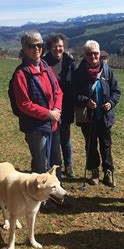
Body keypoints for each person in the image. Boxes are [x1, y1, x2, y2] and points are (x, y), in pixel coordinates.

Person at [11, 30, 63, 184]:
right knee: (41, 165)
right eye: (32, 46)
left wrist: (57, 110)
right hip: (36, 128)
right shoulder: (21, 74)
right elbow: (24, 104)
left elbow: (58, 91)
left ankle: (56, 195)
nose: (37, 49)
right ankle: (40, 199)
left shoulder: (45, 67)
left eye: (39, 45)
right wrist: (48, 114)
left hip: (53, 124)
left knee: (55, 163)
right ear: (24, 49)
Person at [73, 40, 121, 187]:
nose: (93, 56)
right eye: (89, 54)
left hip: (105, 117)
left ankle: (108, 172)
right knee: (91, 145)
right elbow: (72, 94)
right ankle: (94, 171)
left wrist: (111, 103)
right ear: (84, 55)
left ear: (100, 54)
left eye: (95, 53)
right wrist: (85, 101)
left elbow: (116, 91)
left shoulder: (107, 71)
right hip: (88, 117)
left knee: (106, 145)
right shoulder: (78, 73)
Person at [43, 33, 76, 177]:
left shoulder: (70, 62)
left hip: (66, 106)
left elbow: (75, 84)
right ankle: (55, 165)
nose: (58, 49)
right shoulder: (44, 62)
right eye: (55, 46)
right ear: (50, 47)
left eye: (61, 46)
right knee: (52, 138)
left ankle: (68, 165)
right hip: (50, 107)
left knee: (65, 138)